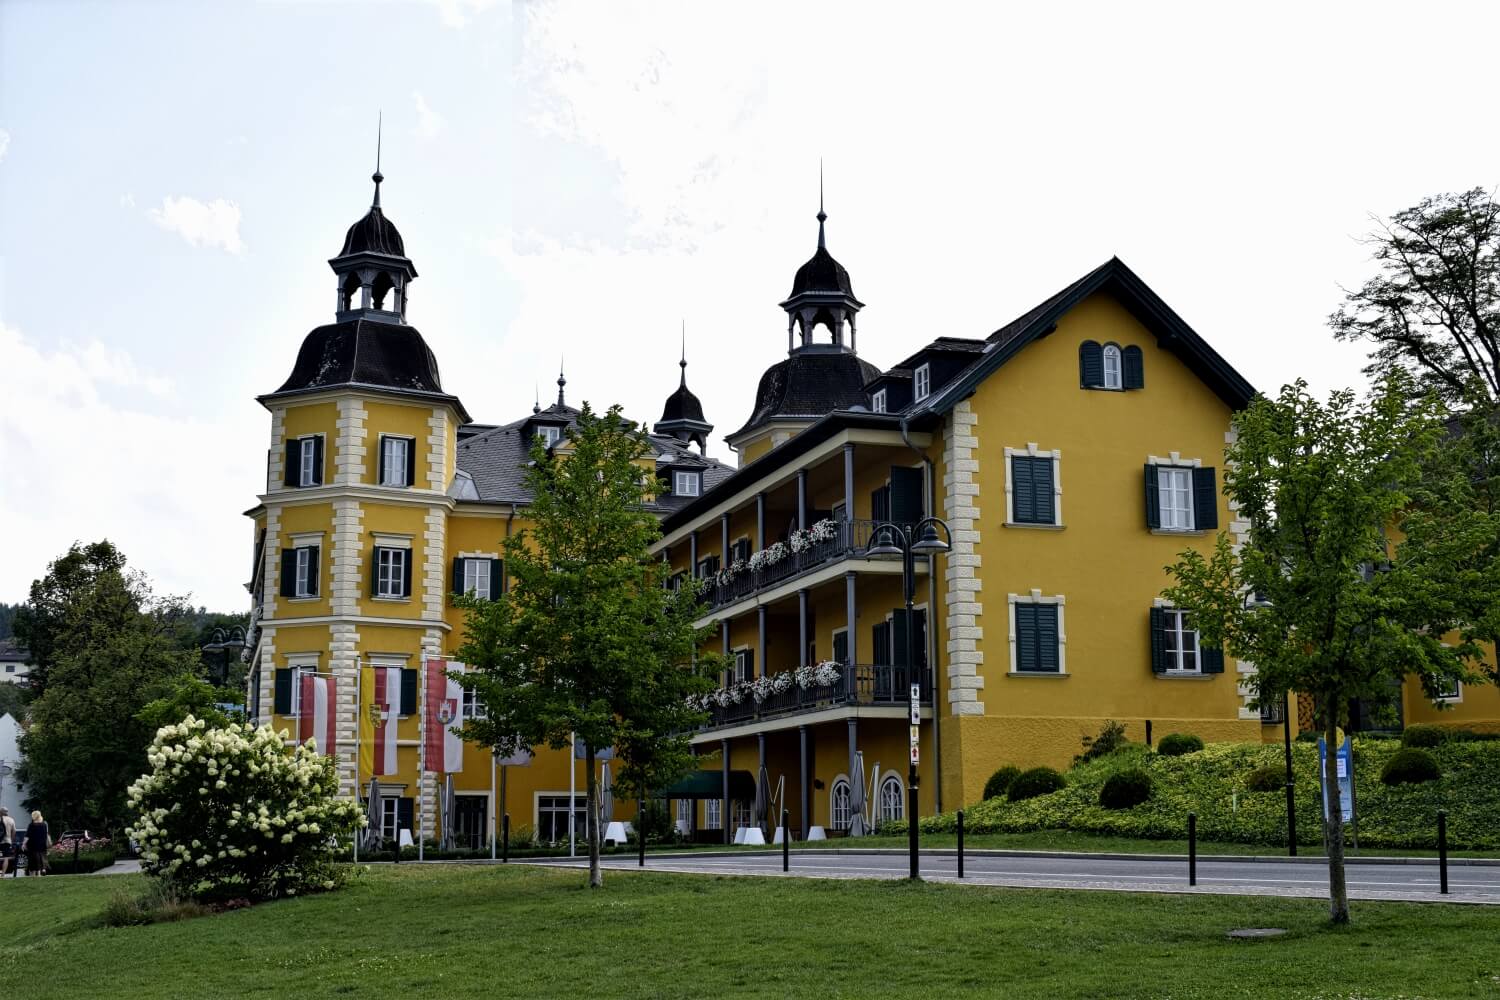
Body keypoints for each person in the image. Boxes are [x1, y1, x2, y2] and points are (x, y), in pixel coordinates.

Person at [22, 810, 48, 876]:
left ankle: (32, 876)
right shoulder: (44, 825)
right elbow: (46, 835)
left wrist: (23, 844)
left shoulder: (31, 825)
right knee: (39, 859)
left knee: (32, 861)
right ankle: (39, 874)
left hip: (32, 845)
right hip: (42, 845)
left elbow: (27, 836)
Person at [0, 807, 14, 875]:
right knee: (6, 858)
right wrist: (11, 840)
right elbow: (14, 831)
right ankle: (3, 874)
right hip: (7, 841)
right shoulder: (11, 820)